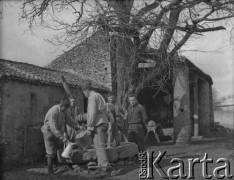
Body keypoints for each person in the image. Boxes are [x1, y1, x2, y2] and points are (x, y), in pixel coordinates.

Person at [41, 97, 80, 174]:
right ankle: (50, 171)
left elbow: (69, 120)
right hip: (48, 132)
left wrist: (77, 127)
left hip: (56, 132)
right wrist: (62, 137)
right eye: (66, 108)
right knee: (50, 151)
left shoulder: (64, 111)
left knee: (59, 148)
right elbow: (53, 127)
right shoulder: (54, 111)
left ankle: (57, 166)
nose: (66, 110)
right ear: (62, 106)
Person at [82, 82, 111, 173]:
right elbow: (106, 109)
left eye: (84, 93)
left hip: (98, 123)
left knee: (99, 146)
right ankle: (100, 165)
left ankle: (105, 166)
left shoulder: (92, 97)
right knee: (98, 145)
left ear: (86, 91)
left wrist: (89, 127)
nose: (85, 95)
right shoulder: (99, 95)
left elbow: (92, 113)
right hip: (104, 121)